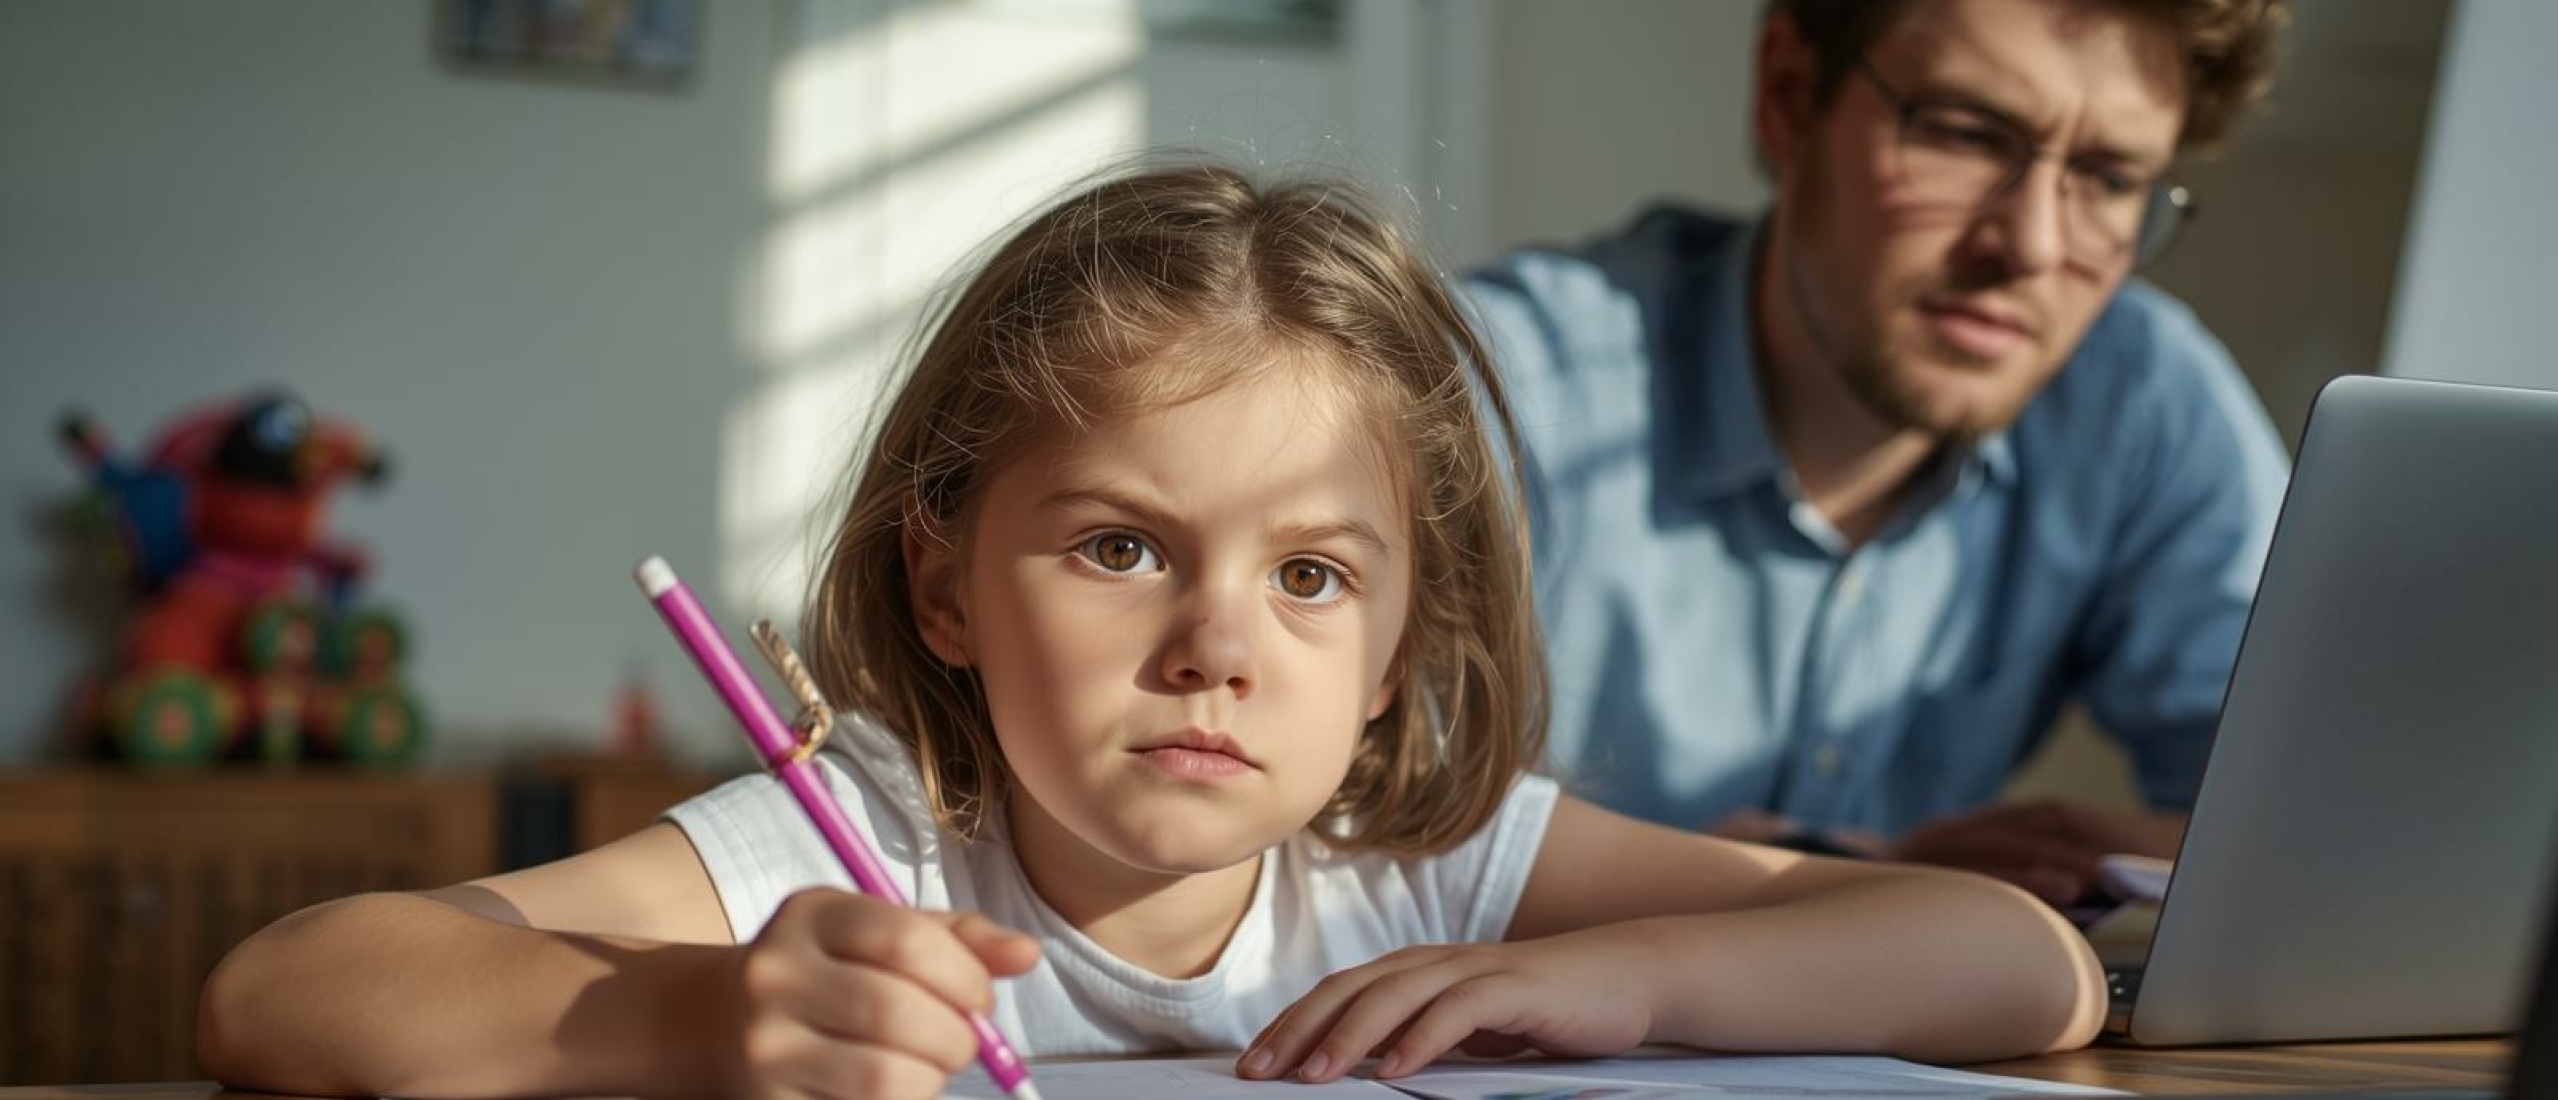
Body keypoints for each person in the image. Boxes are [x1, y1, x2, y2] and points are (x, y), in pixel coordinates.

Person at [197, 163, 2106, 1099]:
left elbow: (2029, 969)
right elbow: (280, 991)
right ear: (941, 579)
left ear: (1389, 664)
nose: (1217, 645)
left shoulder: (1424, 873)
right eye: (1119, 549)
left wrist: (1636, 980)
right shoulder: (858, 842)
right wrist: (688, 1010)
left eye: (1309, 579)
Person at [1461, 0, 2293, 905]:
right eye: (1966, 135)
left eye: (2107, 178)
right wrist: (1834, 895)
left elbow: (2313, 811)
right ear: (1788, 95)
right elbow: (1331, 850)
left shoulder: (2137, 402)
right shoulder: (1484, 390)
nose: (2031, 245)